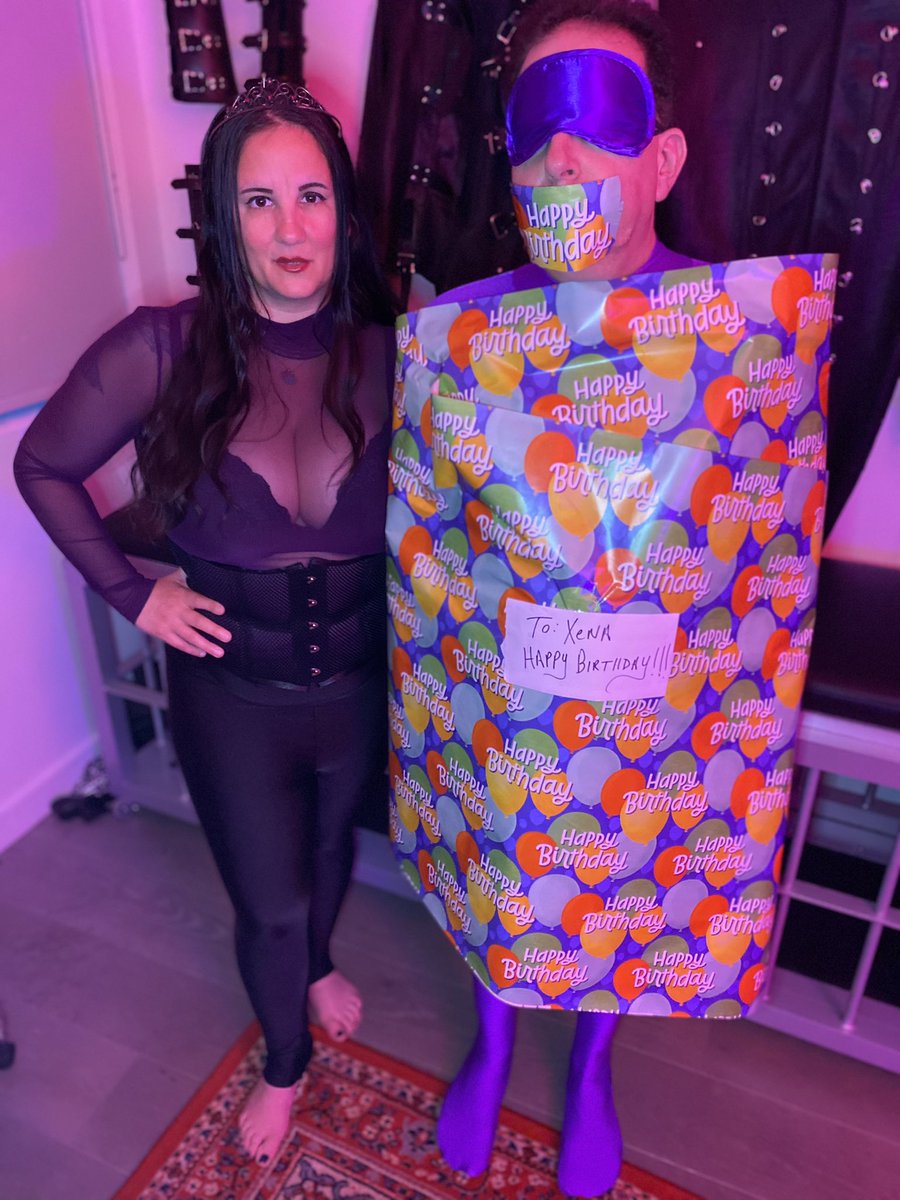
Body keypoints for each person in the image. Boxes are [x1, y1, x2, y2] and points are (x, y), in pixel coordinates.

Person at [15, 78, 397, 1165]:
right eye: (259, 201)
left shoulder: (396, 352)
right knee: (269, 904)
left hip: (358, 688)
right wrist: (133, 592)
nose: (291, 229)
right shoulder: (159, 348)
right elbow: (41, 465)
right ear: (224, 217)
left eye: (312, 196)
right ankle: (284, 1065)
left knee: (328, 854)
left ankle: (317, 965)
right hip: (234, 703)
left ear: (344, 210)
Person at [426, 2, 695, 1195]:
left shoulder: (738, 331)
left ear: (662, 160)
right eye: (537, 130)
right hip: (507, 674)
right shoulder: (464, 330)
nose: (566, 156)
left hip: (655, 688)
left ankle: (589, 1070)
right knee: (504, 838)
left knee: (624, 852)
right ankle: (493, 1043)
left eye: (600, 123)